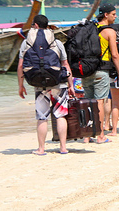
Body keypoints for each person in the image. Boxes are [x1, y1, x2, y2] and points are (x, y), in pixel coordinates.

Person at [17, 14, 74, 155]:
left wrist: (21, 85)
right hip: (58, 84)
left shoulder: (26, 42)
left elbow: (20, 66)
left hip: (39, 84)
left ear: (36, 25)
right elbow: (65, 65)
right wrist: (71, 85)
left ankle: (41, 149)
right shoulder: (57, 42)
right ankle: (63, 147)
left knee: (42, 117)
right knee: (60, 116)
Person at [86, 3, 119, 143]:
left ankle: (87, 135)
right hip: (101, 70)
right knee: (100, 102)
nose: (115, 16)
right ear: (106, 15)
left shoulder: (90, 29)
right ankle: (100, 135)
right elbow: (115, 55)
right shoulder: (109, 32)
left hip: (87, 70)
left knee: (88, 103)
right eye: (113, 14)